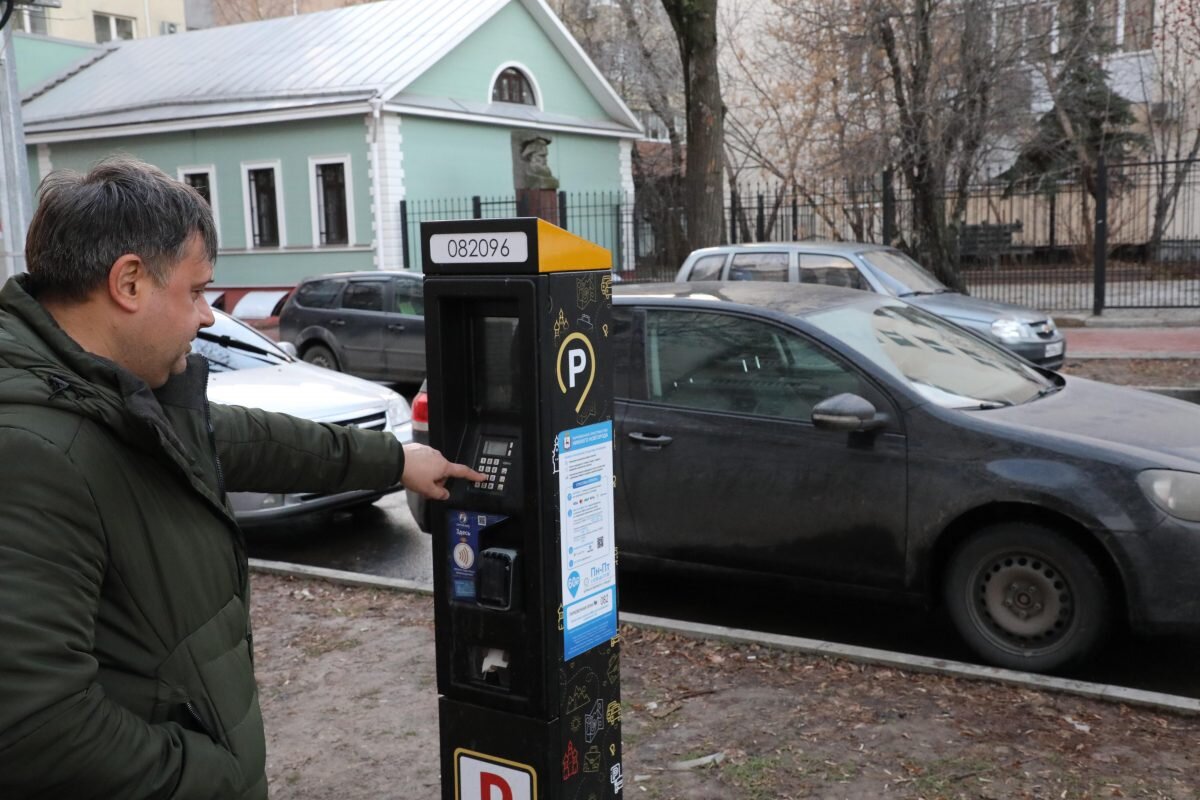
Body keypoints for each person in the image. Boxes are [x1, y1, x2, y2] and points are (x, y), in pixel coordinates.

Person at [0, 157, 482, 799]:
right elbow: (37, 729)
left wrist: (396, 460)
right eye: (197, 292)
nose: (207, 317)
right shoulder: (32, 453)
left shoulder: (117, 398)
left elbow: (254, 440)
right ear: (130, 282)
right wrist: (215, 776)